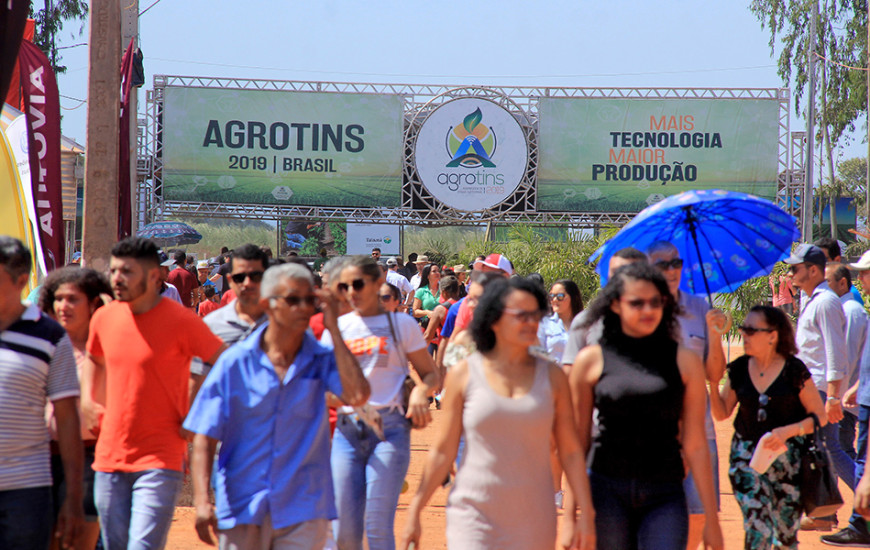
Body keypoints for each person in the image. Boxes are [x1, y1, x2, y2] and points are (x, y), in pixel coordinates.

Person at [400, 277, 595, 550]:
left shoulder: (552, 376)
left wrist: (585, 514)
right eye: (520, 315)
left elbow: (571, 451)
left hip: (534, 514)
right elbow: (443, 451)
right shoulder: (465, 374)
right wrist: (415, 510)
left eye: (535, 314)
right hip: (473, 509)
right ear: (494, 319)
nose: (531, 322)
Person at [184, 263, 370, 548]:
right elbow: (205, 437)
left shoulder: (321, 358)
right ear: (267, 305)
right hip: (242, 503)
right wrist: (201, 502)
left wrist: (334, 327)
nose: (304, 308)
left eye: (310, 300)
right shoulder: (235, 363)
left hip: (305, 507)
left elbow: (357, 395)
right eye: (293, 300)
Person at [80, 237, 227, 550]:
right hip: (109, 458)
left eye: (126, 272)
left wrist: (199, 412)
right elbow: (94, 359)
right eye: (114, 271)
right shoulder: (104, 318)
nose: (116, 279)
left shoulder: (183, 321)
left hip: (160, 459)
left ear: (153, 277)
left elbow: (228, 363)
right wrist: (89, 401)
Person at [567, 262, 723, 550]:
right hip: (605, 490)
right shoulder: (590, 361)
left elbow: (696, 444)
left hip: (665, 492)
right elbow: (577, 444)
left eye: (655, 302)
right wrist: (573, 517)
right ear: (615, 305)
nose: (648, 310)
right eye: (637, 303)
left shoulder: (685, 362)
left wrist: (712, 521)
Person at [321, 255, 439, 550]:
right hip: (347, 432)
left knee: (376, 524)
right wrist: (346, 401)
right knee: (345, 532)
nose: (351, 292)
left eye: (358, 284)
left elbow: (431, 375)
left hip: (391, 430)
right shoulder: (338, 328)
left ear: (377, 284)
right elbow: (321, 387)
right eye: (345, 286)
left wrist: (418, 393)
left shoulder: (401, 324)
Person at [709, 305, 826, 549]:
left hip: (789, 461)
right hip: (747, 460)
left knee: (784, 536)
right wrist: (710, 382)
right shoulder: (740, 368)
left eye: (751, 330)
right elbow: (721, 413)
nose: (744, 334)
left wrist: (788, 431)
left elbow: (819, 417)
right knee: (757, 528)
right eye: (743, 329)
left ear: (773, 335)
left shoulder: (794, 370)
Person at [0, 236, 83, 550]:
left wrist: (73, 499)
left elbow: (68, 420)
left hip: (26, 491)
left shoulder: (50, 336)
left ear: (22, 281)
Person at [647, 240, 726, 550]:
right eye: (662, 264)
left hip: (699, 432)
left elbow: (714, 375)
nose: (671, 270)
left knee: (697, 515)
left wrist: (716, 336)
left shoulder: (699, 308)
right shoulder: (640, 310)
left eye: (676, 263)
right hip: (654, 435)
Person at [40, 267, 113, 550]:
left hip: (92, 457)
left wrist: (110, 312)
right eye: (59, 299)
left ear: (94, 303)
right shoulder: (42, 346)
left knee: (78, 540)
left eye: (73, 299)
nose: (63, 306)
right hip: (42, 456)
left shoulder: (109, 347)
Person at [784, 244, 851, 532]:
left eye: (795, 268)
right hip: (813, 390)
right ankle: (822, 514)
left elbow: (836, 352)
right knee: (819, 450)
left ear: (813, 270)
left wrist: (834, 396)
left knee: (830, 449)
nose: (790, 273)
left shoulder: (825, 302)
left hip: (822, 391)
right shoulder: (815, 300)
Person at [824, 250, 870, 546]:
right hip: (859, 394)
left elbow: (848, 355)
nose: (862, 279)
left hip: (854, 398)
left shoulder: (852, 310)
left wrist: (840, 393)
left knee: (848, 452)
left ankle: (858, 517)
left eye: (865, 272)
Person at [562, 247, 647, 371]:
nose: (622, 279)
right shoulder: (585, 321)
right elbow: (570, 374)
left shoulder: (663, 320)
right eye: (616, 272)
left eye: (631, 272)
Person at [538, 278, 583, 365]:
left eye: (560, 297)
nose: (554, 300)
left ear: (573, 298)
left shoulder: (585, 324)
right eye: (551, 296)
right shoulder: (544, 324)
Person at [815, 237, 863, 305]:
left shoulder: (851, 297)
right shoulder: (819, 292)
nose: (817, 266)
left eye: (823, 260)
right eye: (815, 261)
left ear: (837, 260)